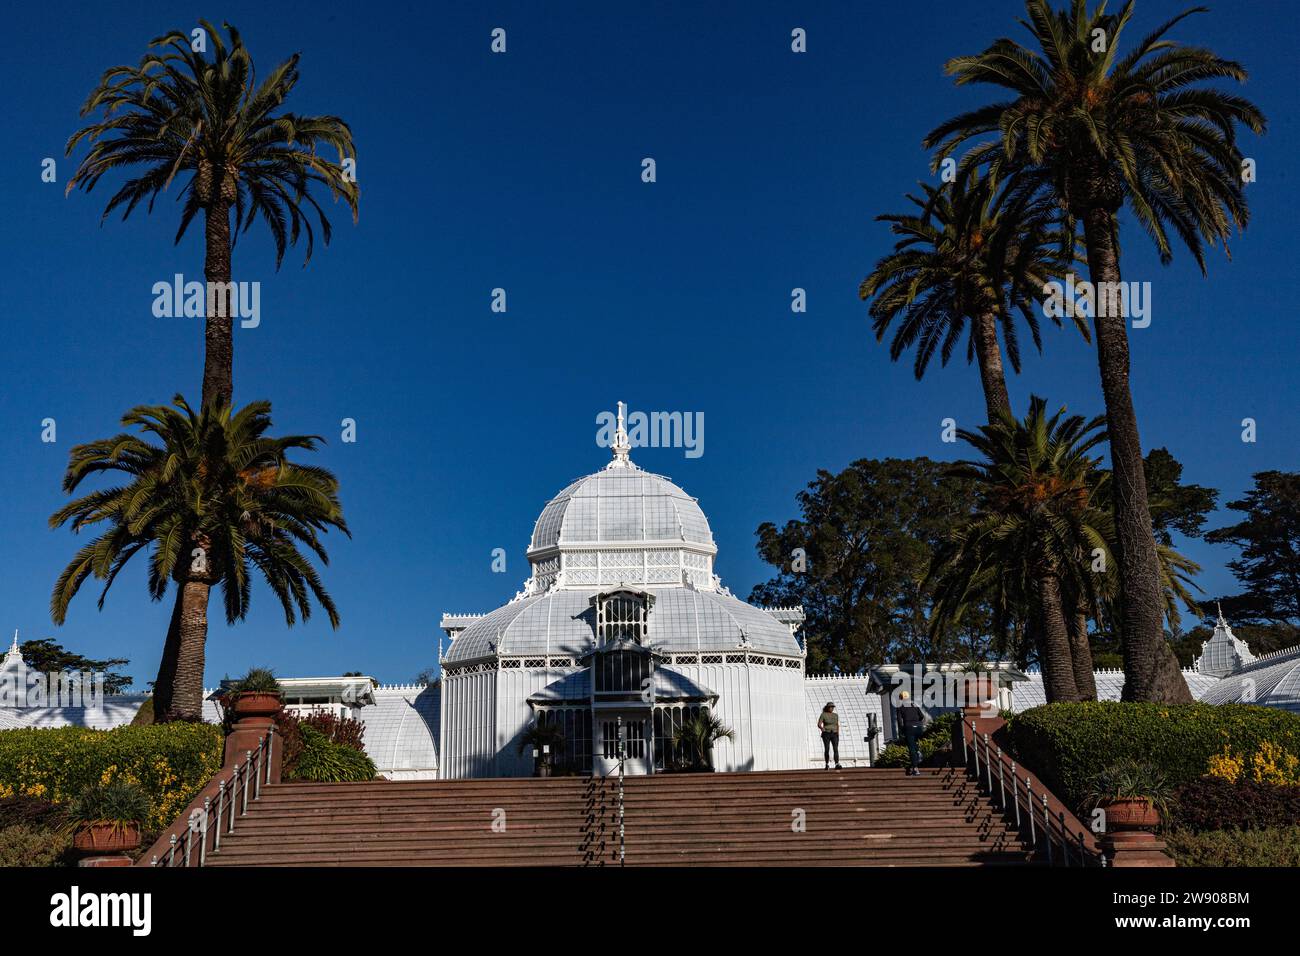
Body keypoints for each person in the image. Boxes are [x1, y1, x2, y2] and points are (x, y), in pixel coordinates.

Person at [896, 691, 928, 776]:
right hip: (918, 728)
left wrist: (902, 730)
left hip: (909, 728)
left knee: (911, 749)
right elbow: (922, 716)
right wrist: (917, 723)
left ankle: (915, 768)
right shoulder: (915, 705)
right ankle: (918, 751)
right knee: (914, 744)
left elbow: (899, 721)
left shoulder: (900, 707)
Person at [818, 702, 841, 769]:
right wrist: (822, 728)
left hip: (834, 733)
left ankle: (837, 763)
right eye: (830, 707)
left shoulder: (835, 715)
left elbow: (837, 725)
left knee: (835, 749)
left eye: (833, 707)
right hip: (826, 733)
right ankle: (827, 764)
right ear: (827, 707)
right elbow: (819, 724)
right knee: (827, 748)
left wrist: (838, 733)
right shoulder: (823, 715)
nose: (832, 708)